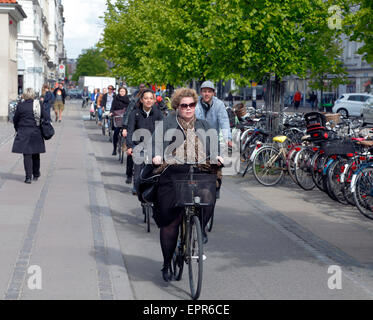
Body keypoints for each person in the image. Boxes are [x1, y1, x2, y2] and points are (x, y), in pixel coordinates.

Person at [151, 88, 223, 282]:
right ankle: (167, 264)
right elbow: (155, 143)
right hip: (173, 172)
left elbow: (213, 145)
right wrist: (157, 156)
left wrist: (216, 155)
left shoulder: (203, 124)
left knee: (210, 197)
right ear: (177, 107)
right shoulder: (167, 123)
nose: (189, 109)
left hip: (198, 170)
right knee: (170, 222)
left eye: (192, 105)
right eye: (185, 105)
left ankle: (198, 227)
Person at [126, 89, 163, 194]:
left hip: (154, 145)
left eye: (151, 98)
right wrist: (130, 146)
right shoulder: (135, 113)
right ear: (141, 100)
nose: (148, 100)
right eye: (146, 98)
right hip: (139, 145)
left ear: (154, 100)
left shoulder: (158, 114)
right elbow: (130, 131)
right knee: (138, 163)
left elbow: (162, 131)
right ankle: (136, 185)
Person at [12, 88, 50, 184]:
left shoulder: (20, 106)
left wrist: (17, 129)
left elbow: (15, 119)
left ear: (24, 95)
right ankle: (36, 174)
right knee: (36, 153)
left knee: (27, 155)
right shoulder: (38, 105)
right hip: (36, 132)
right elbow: (46, 117)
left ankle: (28, 177)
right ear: (33, 95)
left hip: (24, 132)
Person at [196, 81, 232, 148]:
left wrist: (227, 138)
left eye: (209, 91)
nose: (207, 94)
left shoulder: (219, 104)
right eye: (204, 91)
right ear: (201, 93)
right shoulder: (195, 104)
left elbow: (224, 122)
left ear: (213, 93)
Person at [110, 86, 130, 156]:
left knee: (128, 133)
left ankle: (125, 145)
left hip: (125, 118)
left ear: (126, 92)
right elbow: (112, 107)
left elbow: (130, 108)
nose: (122, 93)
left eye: (123, 91)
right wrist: (111, 112)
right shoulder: (116, 98)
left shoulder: (128, 99)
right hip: (118, 118)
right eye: (121, 91)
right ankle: (114, 149)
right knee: (116, 132)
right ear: (119, 92)